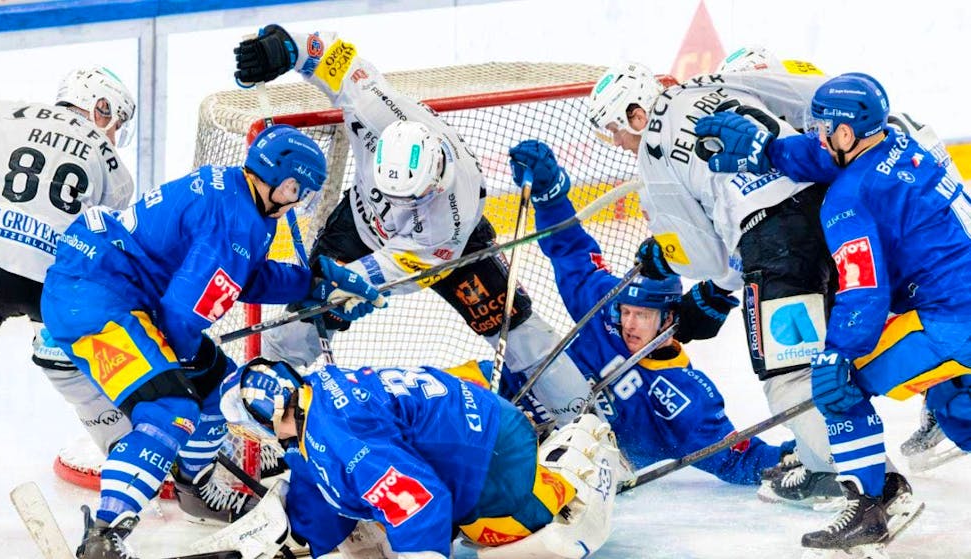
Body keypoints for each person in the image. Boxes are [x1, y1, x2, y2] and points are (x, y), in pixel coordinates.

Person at [40, 123, 385, 559]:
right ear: (285, 183)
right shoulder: (236, 223)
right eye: (301, 192)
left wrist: (312, 283)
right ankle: (103, 536)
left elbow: (246, 277)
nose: (301, 202)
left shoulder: (242, 199)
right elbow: (181, 317)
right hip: (95, 299)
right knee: (171, 409)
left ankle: (194, 487)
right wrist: (180, 373)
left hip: (118, 291)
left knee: (221, 387)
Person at [232, 25, 591, 425]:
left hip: (445, 253)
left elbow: (400, 270)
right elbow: (331, 56)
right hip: (359, 225)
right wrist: (284, 48)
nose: (398, 210)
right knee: (297, 327)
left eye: (411, 200)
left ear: (437, 179)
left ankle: (583, 426)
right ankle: (257, 421)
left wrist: (349, 287)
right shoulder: (373, 109)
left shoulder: (453, 213)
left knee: (517, 328)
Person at [694, 71, 968, 557]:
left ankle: (873, 505)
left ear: (845, 132)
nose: (816, 135)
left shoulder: (847, 201)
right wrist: (769, 150)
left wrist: (837, 353)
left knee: (837, 384)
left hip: (951, 324)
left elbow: (865, 292)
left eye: (822, 128)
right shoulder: (899, 142)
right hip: (957, 303)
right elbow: (827, 157)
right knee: (955, 399)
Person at [585, 61, 843, 507]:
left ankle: (842, 476)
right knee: (840, 353)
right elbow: (818, 94)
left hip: (777, 245)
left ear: (636, 115)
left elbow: (705, 259)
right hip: (832, 210)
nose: (619, 143)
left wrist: (666, 254)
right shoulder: (712, 82)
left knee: (791, 375)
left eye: (616, 130)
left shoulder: (654, 153)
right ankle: (851, 462)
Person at [504, 139, 794, 486]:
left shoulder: (683, 396)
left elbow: (738, 458)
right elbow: (571, 251)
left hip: (553, 461)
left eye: (642, 315)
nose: (628, 323)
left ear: (669, 318)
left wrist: (800, 457)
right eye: (626, 312)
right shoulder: (604, 307)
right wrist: (550, 197)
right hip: (508, 391)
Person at [214, 357, 620, 559]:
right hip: (474, 424)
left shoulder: (339, 439)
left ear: (265, 417)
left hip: (492, 457)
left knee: (515, 542)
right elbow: (317, 475)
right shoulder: (316, 391)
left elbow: (420, 504)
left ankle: (568, 470)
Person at [0, 66, 138, 453]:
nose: (115, 134)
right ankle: (133, 457)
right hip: (49, 282)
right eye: (117, 123)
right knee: (75, 374)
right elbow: (101, 238)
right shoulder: (113, 164)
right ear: (101, 107)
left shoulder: (0, 113)